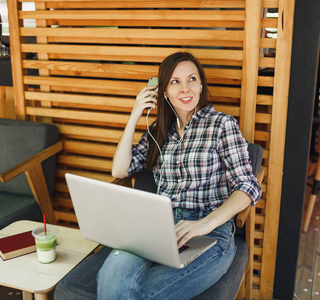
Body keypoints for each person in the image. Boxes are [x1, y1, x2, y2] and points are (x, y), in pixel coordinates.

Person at [98, 51, 261, 299]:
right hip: (157, 226)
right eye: (175, 81)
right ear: (163, 91)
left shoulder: (222, 125)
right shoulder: (159, 131)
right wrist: (135, 115)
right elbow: (119, 170)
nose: (185, 88)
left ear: (201, 85)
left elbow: (248, 187)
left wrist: (205, 223)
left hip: (209, 232)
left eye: (192, 79)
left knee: (145, 293)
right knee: (112, 277)